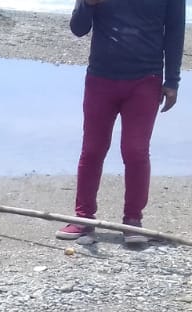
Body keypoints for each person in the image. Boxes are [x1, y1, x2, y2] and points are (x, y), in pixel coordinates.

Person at [55, 0, 183, 247]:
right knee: (92, 149)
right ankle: (83, 219)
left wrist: (173, 80)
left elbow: (176, 29)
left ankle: (132, 221)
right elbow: (78, 28)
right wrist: (88, 5)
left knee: (135, 151)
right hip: (101, 76)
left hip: (146, 78)